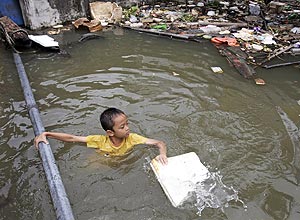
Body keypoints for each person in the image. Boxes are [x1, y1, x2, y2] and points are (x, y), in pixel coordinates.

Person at [34, 107, 168, 165]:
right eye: (122, 127)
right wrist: (47, 134)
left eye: (127, 124)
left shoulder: (133, 138)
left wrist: (162, 154)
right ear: (110, 132)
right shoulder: (99, 141)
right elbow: (73, 138)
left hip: (122, 164)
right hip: (101, 161)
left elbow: (159, 143)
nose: (127, 128)